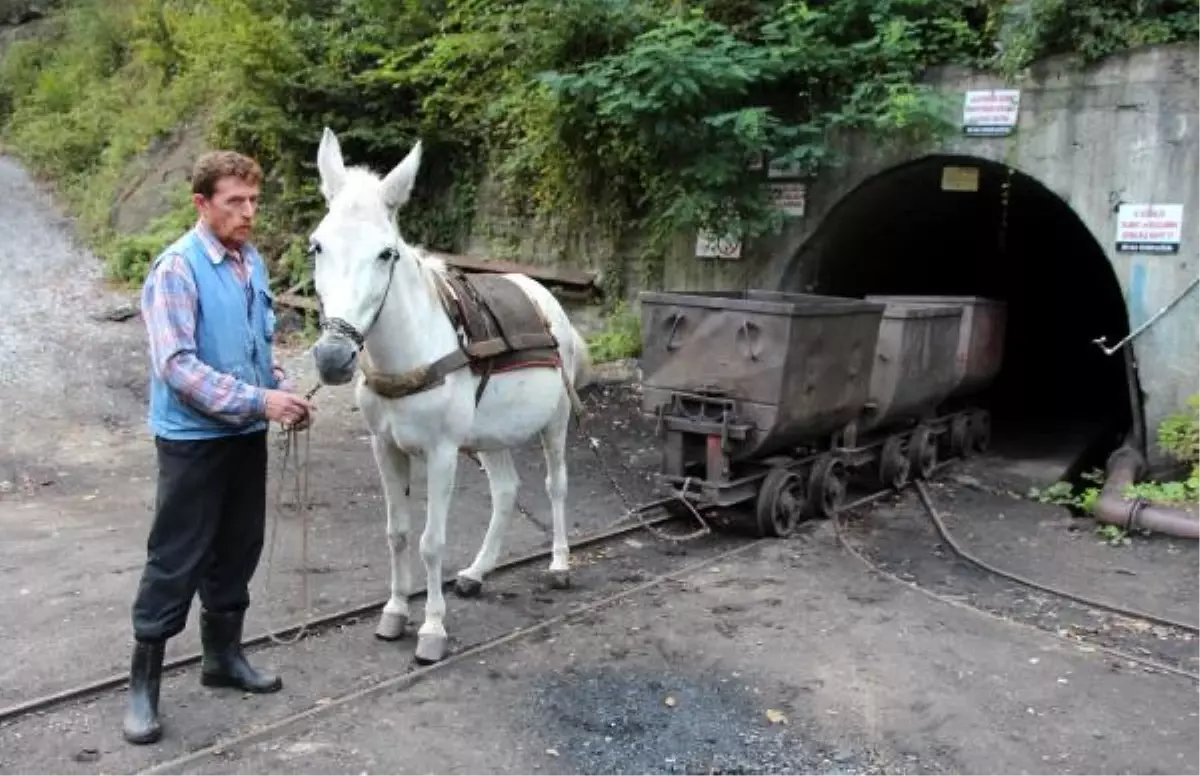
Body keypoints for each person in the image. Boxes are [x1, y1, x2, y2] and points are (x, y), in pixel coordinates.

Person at [123, 150, 315, 745]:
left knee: (238, 548)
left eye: (254, 201)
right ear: (202, 203)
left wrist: (280, 387)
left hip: (244, 437)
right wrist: (261, 402)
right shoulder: (177, 269)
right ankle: (142, 690)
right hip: (193, 443)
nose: (248, 212)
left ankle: (222, 660)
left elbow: (257, 348)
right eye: (235, 201)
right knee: (176, 558)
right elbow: (177, 366)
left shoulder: (250, 262)